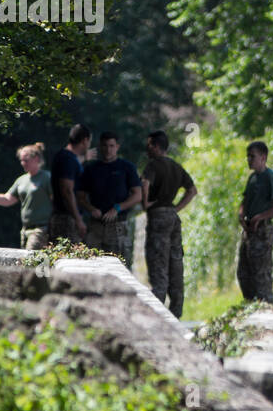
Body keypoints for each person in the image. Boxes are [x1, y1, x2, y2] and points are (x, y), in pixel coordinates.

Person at [141, 130, 197, 318]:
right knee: (175, 263)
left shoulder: (153, 165)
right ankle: (176, 311)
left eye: (149, 145)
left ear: (157, 146)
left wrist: (146, 202)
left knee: (158, 264)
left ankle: (157, 312)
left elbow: (145, 184)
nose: (147, 148)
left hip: (157, 217)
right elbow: (192, 190)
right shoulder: (176, 166)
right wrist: (176, 208)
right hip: (173, 218)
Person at [77, 131, 143, 268]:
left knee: (119, 265)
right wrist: (91, 209)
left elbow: (138, 195)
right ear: (100, 146)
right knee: (90, 265)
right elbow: (80, 196)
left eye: (111, 146)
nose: (108, 149)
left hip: (118, 225)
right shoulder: (91, 169)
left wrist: (117, 208)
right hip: (95, 225)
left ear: (117, 147)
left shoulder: (127, 168)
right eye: (105, 146)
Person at [0, 142, 53, 249]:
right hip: (25, 230)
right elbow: (8, 199)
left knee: (29, 259)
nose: (22, 163)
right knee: (25, 262)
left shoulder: (47, 178)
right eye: (21, 160)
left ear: (36, 158)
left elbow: (57, 201)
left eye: (26, 160)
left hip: (41, 229)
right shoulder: (21, 180)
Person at [236, 141, 273, 303]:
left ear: (263, 158)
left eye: (253, 156)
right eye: (248, 157)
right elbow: (245, 200)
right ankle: (250, 307)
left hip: (262, 231)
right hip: (249, 231)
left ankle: (266, 309)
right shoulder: (252, 178)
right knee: (244, 272)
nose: (249, 160)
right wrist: (241, 213)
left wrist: (261, 217)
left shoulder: (270, 177)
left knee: (261, 274)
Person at [49, 124, 90, 245]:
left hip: (62, 216)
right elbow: (67, 190)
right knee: (69, 258)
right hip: (66, 219)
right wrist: (78, 219)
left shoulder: (66, 157)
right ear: (85, 140)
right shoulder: (68, 159)